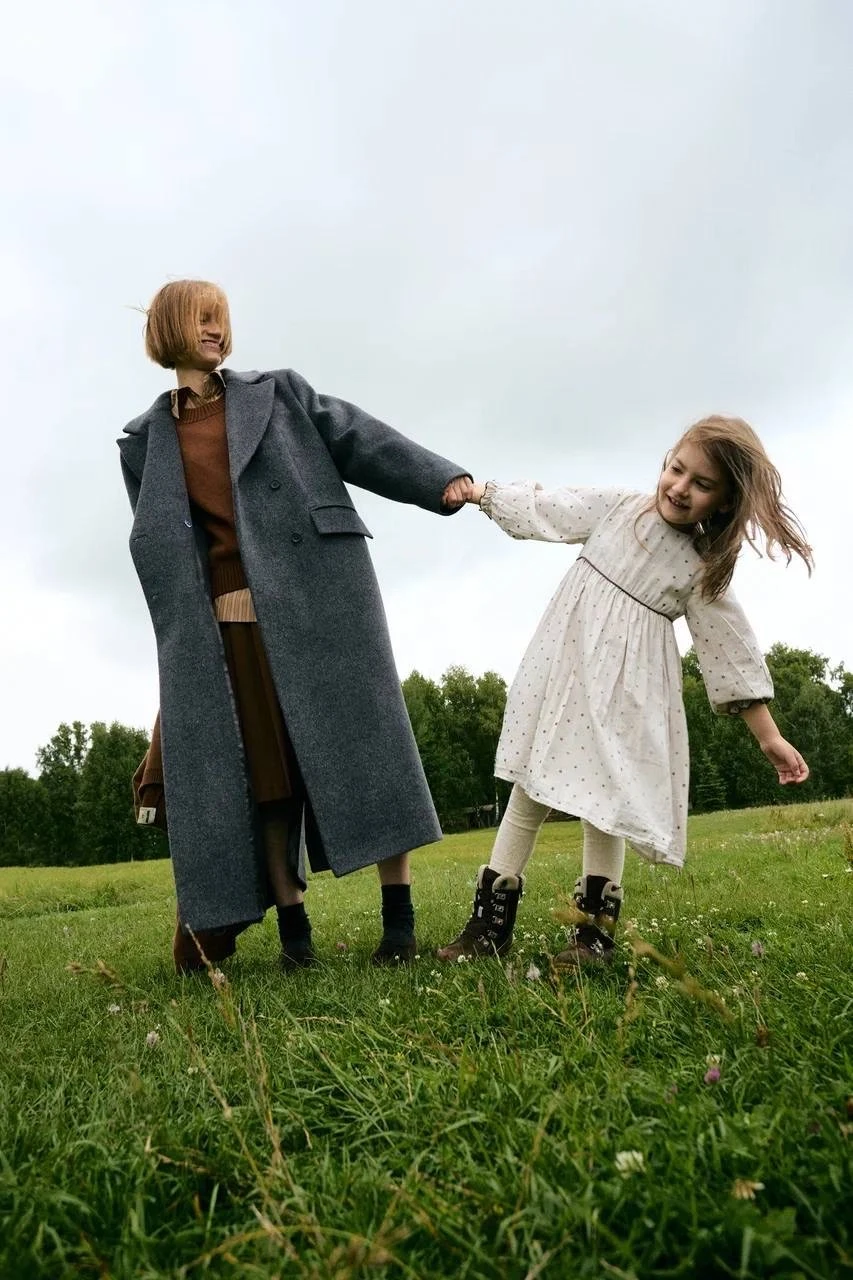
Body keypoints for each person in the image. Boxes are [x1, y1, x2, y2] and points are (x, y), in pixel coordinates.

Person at [120, 279, 472, 973]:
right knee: (268, 782)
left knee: (368, 751)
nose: (216, 330)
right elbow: (165, 543)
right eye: (202, 319)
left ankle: (398, 924)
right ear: (168, 330)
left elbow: (358, 436)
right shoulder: (142, 443)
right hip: (225, 627)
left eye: (221, 319)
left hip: (321, 594)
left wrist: (438, 479)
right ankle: (295, 936)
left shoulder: (278, 393)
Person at [437, 416, 812, 966]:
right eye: (677, 469)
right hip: (565, 673)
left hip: (628, 696)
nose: (680, 488)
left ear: (725, 502)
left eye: (702, 484)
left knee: (605, 797)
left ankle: (594, 934)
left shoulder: (702, 568)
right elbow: (552, 507)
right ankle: (489, 927)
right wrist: (483, 493)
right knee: (529, 783)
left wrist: (769, 736)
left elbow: (729, 649)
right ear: (666, 460)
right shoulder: (618, 509)